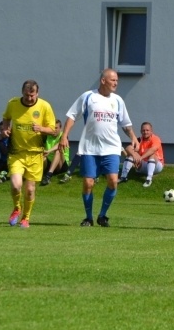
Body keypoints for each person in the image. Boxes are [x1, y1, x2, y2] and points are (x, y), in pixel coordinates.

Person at [60, 69, 139, 227]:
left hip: (111, 148)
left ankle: (102, 215)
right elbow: (72, 115)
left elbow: (125, 124)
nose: (116, 83)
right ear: (103, 81)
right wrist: (64, 135)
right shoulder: (88, 96)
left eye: (117, 80)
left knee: (113, 181)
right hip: (90, 148)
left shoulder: (117, 100)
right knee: (88, 183)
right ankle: (88, 218)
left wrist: (133, 137)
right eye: (113, 80)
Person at [2, 79, 57, 228]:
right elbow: (6, 118)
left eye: (32, 95)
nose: (29, 98)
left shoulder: (44, 106)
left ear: (37, 93)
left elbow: (54, 130)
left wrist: (41, 129)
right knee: (15, 185)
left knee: (30, 189)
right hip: (17, 152)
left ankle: (26, 218)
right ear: (22, 93)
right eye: (27, 95)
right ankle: (17, 208)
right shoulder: (13, 104)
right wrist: (5, 129)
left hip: (35, 154)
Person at [120, 122, 164, 188]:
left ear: (151, 131)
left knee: (152, 155)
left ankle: (149, 179)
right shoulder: (139, 140)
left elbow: (152, 150)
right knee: (130, 155)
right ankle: (123, 177)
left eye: (147, 130)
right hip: (142, 165)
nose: (145, 132)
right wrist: (134, 156)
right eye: (143, 130)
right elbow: (128, 148)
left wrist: (140, 158)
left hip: (156, 166)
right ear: (140, 131)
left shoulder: (155, 139)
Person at [40, 119, 70, 186]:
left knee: (58, 150)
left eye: (56, 128)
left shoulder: (63, 136)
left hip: (62, 164)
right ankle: (39, 175)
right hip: (50, 162)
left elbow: (60, 144)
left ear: (60, 128)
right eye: (53, 128)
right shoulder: (47, 136)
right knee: (42, 156)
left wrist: (48, 151)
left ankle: (48, 176)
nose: (55, 130)